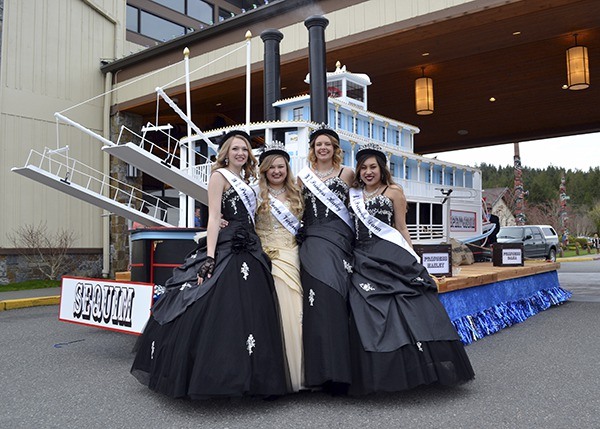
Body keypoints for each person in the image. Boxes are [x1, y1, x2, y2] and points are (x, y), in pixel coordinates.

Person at [131, 130, 288, 399]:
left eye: (244, 149)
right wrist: (210, 257)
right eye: (235, 148)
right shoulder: (219, 176)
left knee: (251, 312)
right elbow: (214, 218)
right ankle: (214, 376)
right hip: (228, 246)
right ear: (226, 152)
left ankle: (250, 376)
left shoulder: (246, 179)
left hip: (250, 245)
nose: (240, 153)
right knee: (215, 305)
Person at [347, 143, 475, 395]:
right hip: (361, 255)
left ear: (382, 169)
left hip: (390, 253)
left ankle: (418, 368)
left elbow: (402, 227)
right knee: (366, 306)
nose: (368, 172)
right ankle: (378, 369)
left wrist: (413, 256)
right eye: (363, 168)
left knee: (408, 306)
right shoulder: (354, 194)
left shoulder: (393, 191)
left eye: (373, 167)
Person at [296, 125, 355, 395]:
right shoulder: (302, 178)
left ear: (335, 148)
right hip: (312, 242)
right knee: (316, 302)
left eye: (327, 144)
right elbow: (292, 208)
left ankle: (341, 371)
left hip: (340, 241)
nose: (323, 148)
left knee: (338, 299)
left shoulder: (348, 174)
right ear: (313, 149)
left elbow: (363, 201)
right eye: (318, 144)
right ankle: (320, 372)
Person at [255, 141, 305, 392]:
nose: (276, 171)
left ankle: (300, 371)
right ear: (264, 169)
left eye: (281, 167)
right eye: (272, 167)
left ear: (287, 168)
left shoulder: (297, 193)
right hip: (264, 255)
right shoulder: (255, 194)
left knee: (295, 309)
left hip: (291, 254)